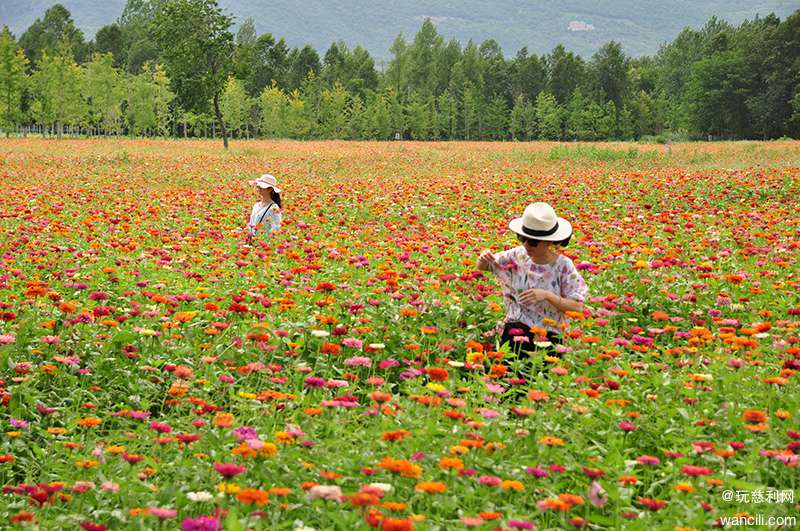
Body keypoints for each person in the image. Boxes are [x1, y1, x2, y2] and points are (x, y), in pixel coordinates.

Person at [476, 202, 588, 378]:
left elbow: (577, 306)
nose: (527, 244)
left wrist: (546, 295)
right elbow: (485, 266)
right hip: (515, 330)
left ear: (550, 241)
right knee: (508, 382)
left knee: (540, 385)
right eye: (522, 238)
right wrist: (483, 259)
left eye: (533, 241)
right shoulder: (517, 255)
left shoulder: (563, 266)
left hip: (548, 336)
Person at [246, 174, 283, 243]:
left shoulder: (274, 208)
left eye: (261, 187)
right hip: (251, 242)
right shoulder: (256, 205)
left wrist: (266, 243)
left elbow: (276, 228)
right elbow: (251, 224)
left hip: (263, 243)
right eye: (258, 186)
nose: (258, 188)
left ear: (270, 189)